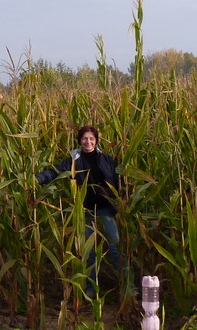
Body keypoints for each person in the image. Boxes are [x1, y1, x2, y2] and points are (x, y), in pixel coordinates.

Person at [35, 125, 128, 297]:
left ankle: (127, 287)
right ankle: (91, 288)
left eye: (92, 138)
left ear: (96, 141)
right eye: (85, 138)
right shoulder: (73, 160)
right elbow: (55, 171)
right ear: (80, 141)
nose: (88, 142)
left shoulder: (106, 159)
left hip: (106, 209)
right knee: (88, 251)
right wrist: (38, 179)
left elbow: (119, 179)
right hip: (84, 211)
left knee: (116, 246)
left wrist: (122, 198)